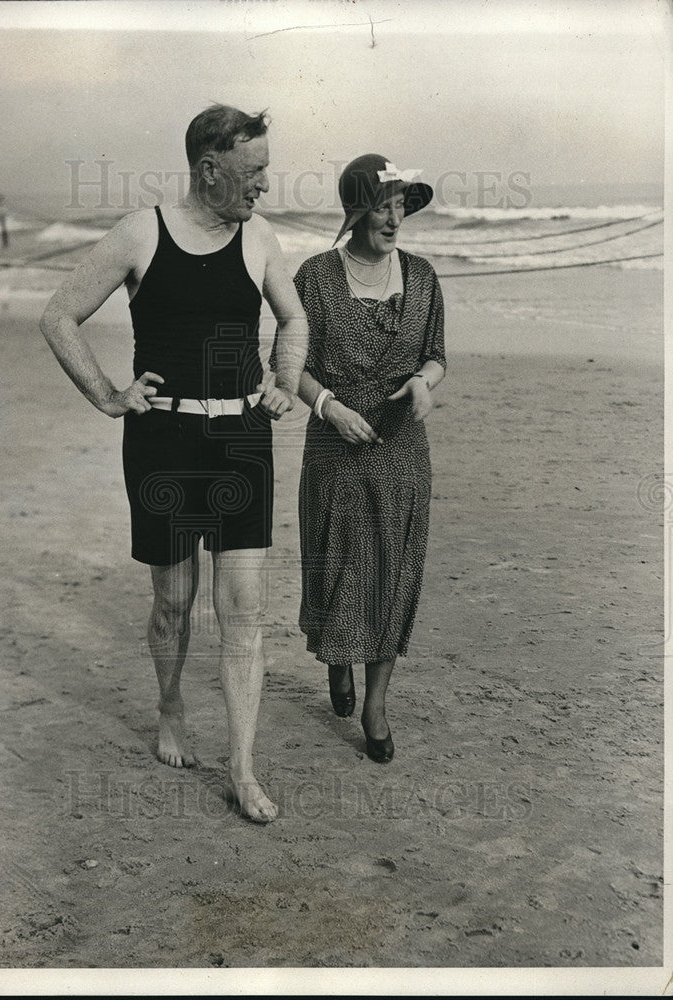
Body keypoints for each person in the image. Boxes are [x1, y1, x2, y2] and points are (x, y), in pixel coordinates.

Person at [40, 105, 308, 822]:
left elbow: (294, 319)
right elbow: (59, 315)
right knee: (173, 602)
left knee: (245, 610)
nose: (263, 186)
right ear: (209, 169)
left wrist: (283, 382)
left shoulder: (260, 238)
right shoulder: (140, 232)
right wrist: (107, 395)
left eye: (265, 171)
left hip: (241, 443)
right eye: (252, 173)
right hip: (162, 443)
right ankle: (169, 708)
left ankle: (244, 768)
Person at [288, 153, 445, 763]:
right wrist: (327, 406)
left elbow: (436, 354)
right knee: (341, 567)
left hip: (402, 447)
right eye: (384, 205)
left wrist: (425, 384)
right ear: (356, 212)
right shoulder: (315, 278)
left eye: (401, 205)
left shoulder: (424, 277)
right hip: (335, 446)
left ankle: (377, 703)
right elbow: (291, 365)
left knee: (395, 570)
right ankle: (338, 657)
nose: (395, 218)